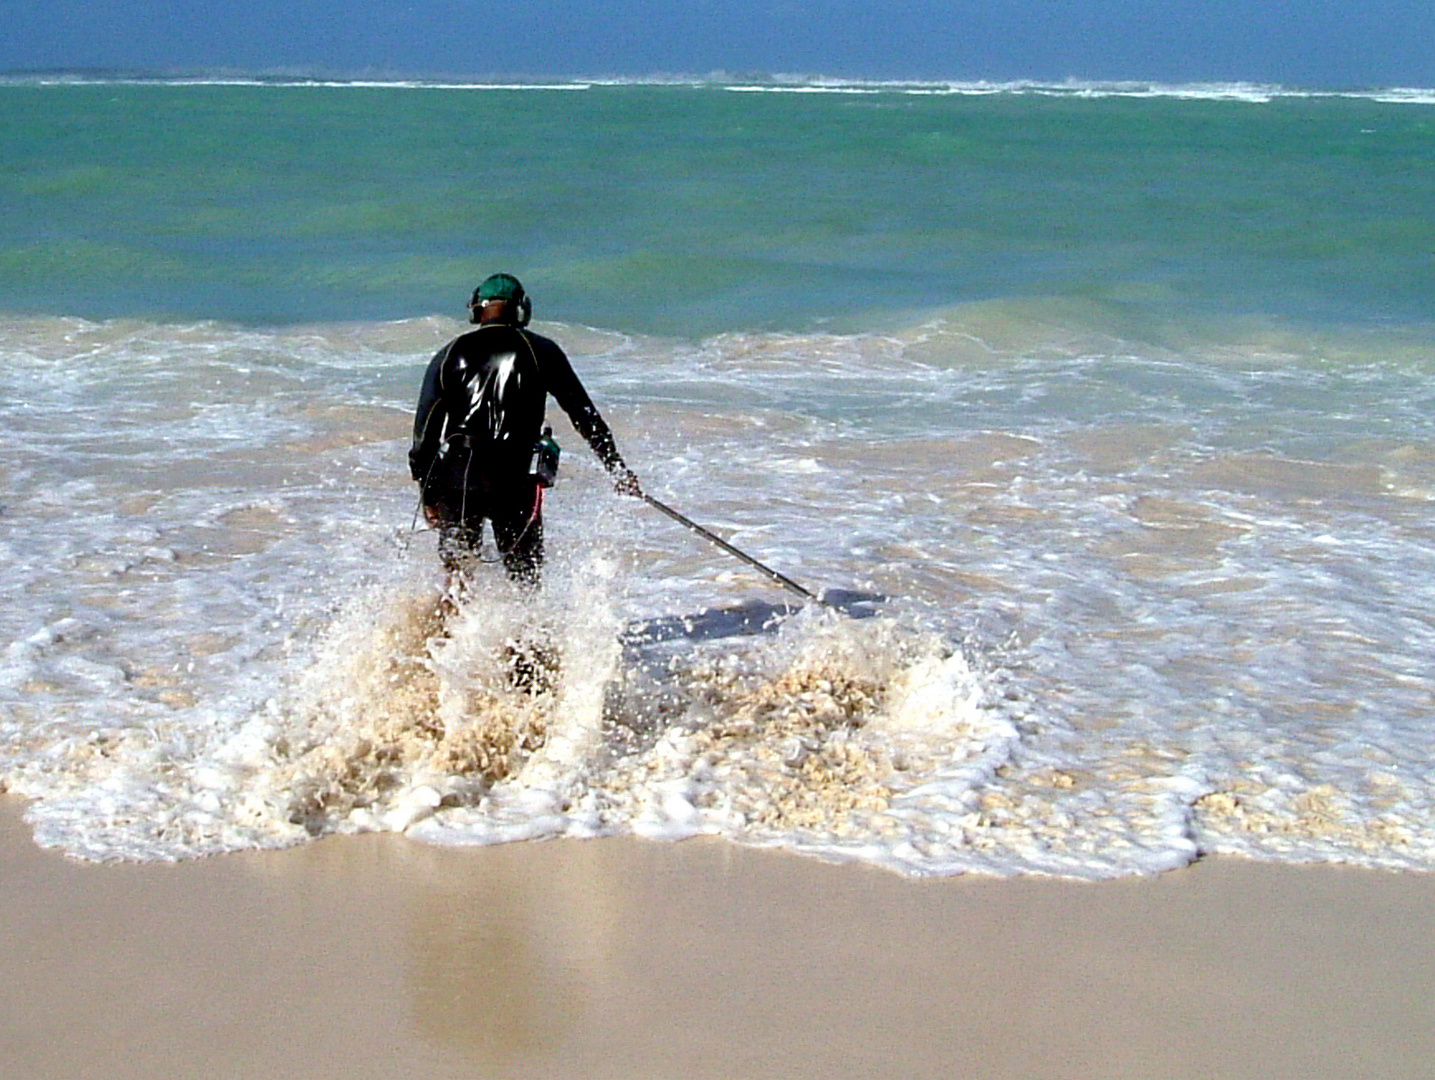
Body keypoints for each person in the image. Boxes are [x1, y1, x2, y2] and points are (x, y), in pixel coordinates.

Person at [409, 273, 640, 590]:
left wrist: (429, 492)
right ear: (521, 310)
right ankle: (524, 638)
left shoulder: (449, 354)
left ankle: (448, 638)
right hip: (514, 478)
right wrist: (616, 468)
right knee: (526, 582)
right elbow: (585, 416)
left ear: (477, 309)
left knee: (458, 579)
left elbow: (424, 436)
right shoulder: (542, 351)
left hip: (459, 476)